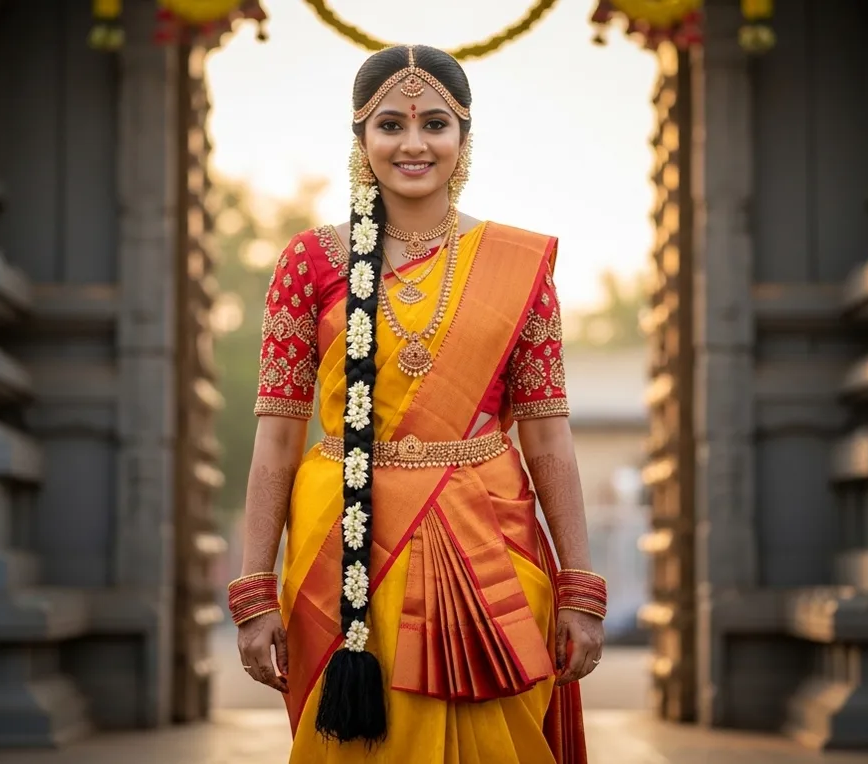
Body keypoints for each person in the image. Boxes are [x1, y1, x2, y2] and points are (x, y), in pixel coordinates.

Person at [228, 44, 606, 763]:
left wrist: (580, 587)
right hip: (344, 553)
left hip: (491, 545)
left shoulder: (516, 266)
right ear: (360, 138)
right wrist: (252, 590)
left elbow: (550, 441)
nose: (413, 144)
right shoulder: (310, 263)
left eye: (435, 124)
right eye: (389, 125)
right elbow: (276, 440)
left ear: (464, 137)